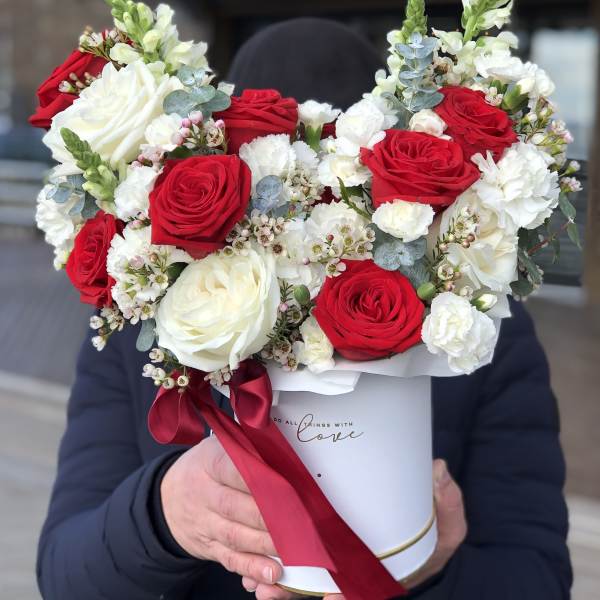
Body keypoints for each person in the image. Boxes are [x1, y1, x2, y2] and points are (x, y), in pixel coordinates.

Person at [36, 18, 572, 600]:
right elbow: (65, 573)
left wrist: (424, 571)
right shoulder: (141, 328)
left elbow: (538, 574)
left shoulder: (480, 331)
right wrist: (163, 515)